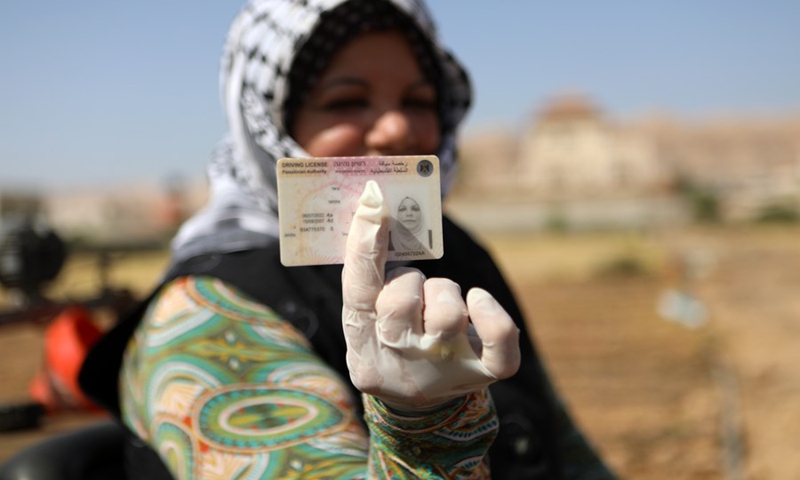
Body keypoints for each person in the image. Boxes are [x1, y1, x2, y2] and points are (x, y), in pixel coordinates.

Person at [79, 0, 618, 478]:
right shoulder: (204, 318)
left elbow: (565, 450)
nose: (396, 130)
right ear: (268, 123)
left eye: (419, 100)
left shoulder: (454, 251)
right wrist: (423, 431)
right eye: (345, 102)